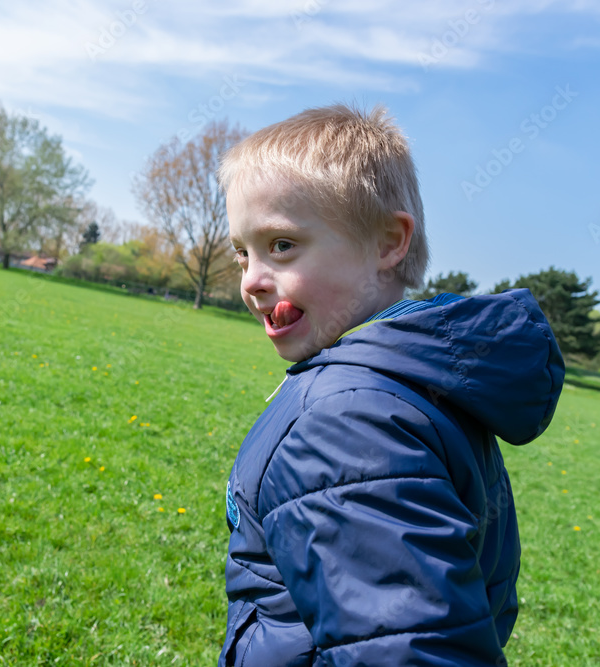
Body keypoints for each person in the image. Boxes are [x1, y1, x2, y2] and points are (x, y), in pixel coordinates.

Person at [217, 103, 565, 666]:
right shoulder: (415, 382)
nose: (252, 280)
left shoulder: (347, 424)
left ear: (387, 243)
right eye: (242, 252)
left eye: (281, 245)